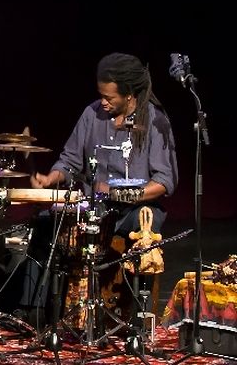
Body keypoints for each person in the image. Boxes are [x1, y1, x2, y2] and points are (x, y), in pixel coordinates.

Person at [14, 52, 179, 318]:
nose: (103, 102)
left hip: (132, 209)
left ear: (129, 95)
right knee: (45, 221)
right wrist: (51, 177)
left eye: (109, 97)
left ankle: (137, 317)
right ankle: (31, 310)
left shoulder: (155, 121)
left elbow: (164, 181)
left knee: (145, 222)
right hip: (95, 207)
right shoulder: (92, 114)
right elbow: (69, 161)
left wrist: (119, 194)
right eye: (101, 95)